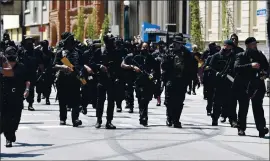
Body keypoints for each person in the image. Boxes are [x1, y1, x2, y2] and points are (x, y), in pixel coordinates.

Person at [233, 37, 269, 137]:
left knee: (258, 108)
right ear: (248, 45)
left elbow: (267, 67)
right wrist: (250, 65)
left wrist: (265, 74)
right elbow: (236, 68)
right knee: (243, 108)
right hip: (244, 86)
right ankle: (241, 128)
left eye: (255, 44)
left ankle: (261, 128)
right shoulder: (241, 56)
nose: (255, 46)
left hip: (257, 86)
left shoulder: (260, 55)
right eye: (253, 44)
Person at [161, 33, 193, 128]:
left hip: (181, 80)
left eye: (179, 43)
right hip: (170, 79)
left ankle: (176, 120)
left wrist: (190, 82)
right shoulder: (169, 52)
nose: (178, 45)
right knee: (169, 100)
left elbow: (191, 68)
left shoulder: (187, 53)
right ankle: (169, 117)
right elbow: (163, 66)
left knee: (179, 101)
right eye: (176, 42)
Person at [1, 47, 30, 147]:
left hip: (17, 96)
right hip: (4, 96)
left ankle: (12, 131)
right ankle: (8, 137)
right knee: (5, 118)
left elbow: (27, 80)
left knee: (16, 118)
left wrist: (27, 89)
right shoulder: (2, 67)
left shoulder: (21, 67)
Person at [53, 32, 82, 127]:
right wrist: (63, 67)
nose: (72, 41)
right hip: (63, 79)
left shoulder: (78, 52)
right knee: (62, 100)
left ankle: (75, 119)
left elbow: (82, 64)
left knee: (76, 100)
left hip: (75, 78)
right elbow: (54, 65)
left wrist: (83, 79)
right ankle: (62, 118)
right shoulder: (60, 52)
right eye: (70, 40)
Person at [209, 40, 237, 127]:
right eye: (226, 46)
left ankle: (232, 120)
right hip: (218, 83)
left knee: (231, 103)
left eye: (229, 46)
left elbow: (236, 69)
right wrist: (216, 73)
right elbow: (210, 67)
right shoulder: (216, 56)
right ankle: (215, 119)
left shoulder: (234, 57)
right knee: (217, 102)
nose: (227, 48)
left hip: (230, 83)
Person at [18, 37, 44, 111]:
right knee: (21, 88)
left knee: (31, 89)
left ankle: (30, 104)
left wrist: (42, 72)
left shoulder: (36, 52)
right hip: (22, 73)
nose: (29, 44)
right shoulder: (21, 52)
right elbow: (16, 61)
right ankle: (21, 102)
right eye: (27, 42)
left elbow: (40, 63)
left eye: (30, 42)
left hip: (32, 73)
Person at [36, 40, 55, 105]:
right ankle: (39, 95)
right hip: (40, 70)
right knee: (39, 84)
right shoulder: (39, 52)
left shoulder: (50, 53)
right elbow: (37, 61)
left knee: (48, 85)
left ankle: (47, 99)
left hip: (48, 71)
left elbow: (54, 61)